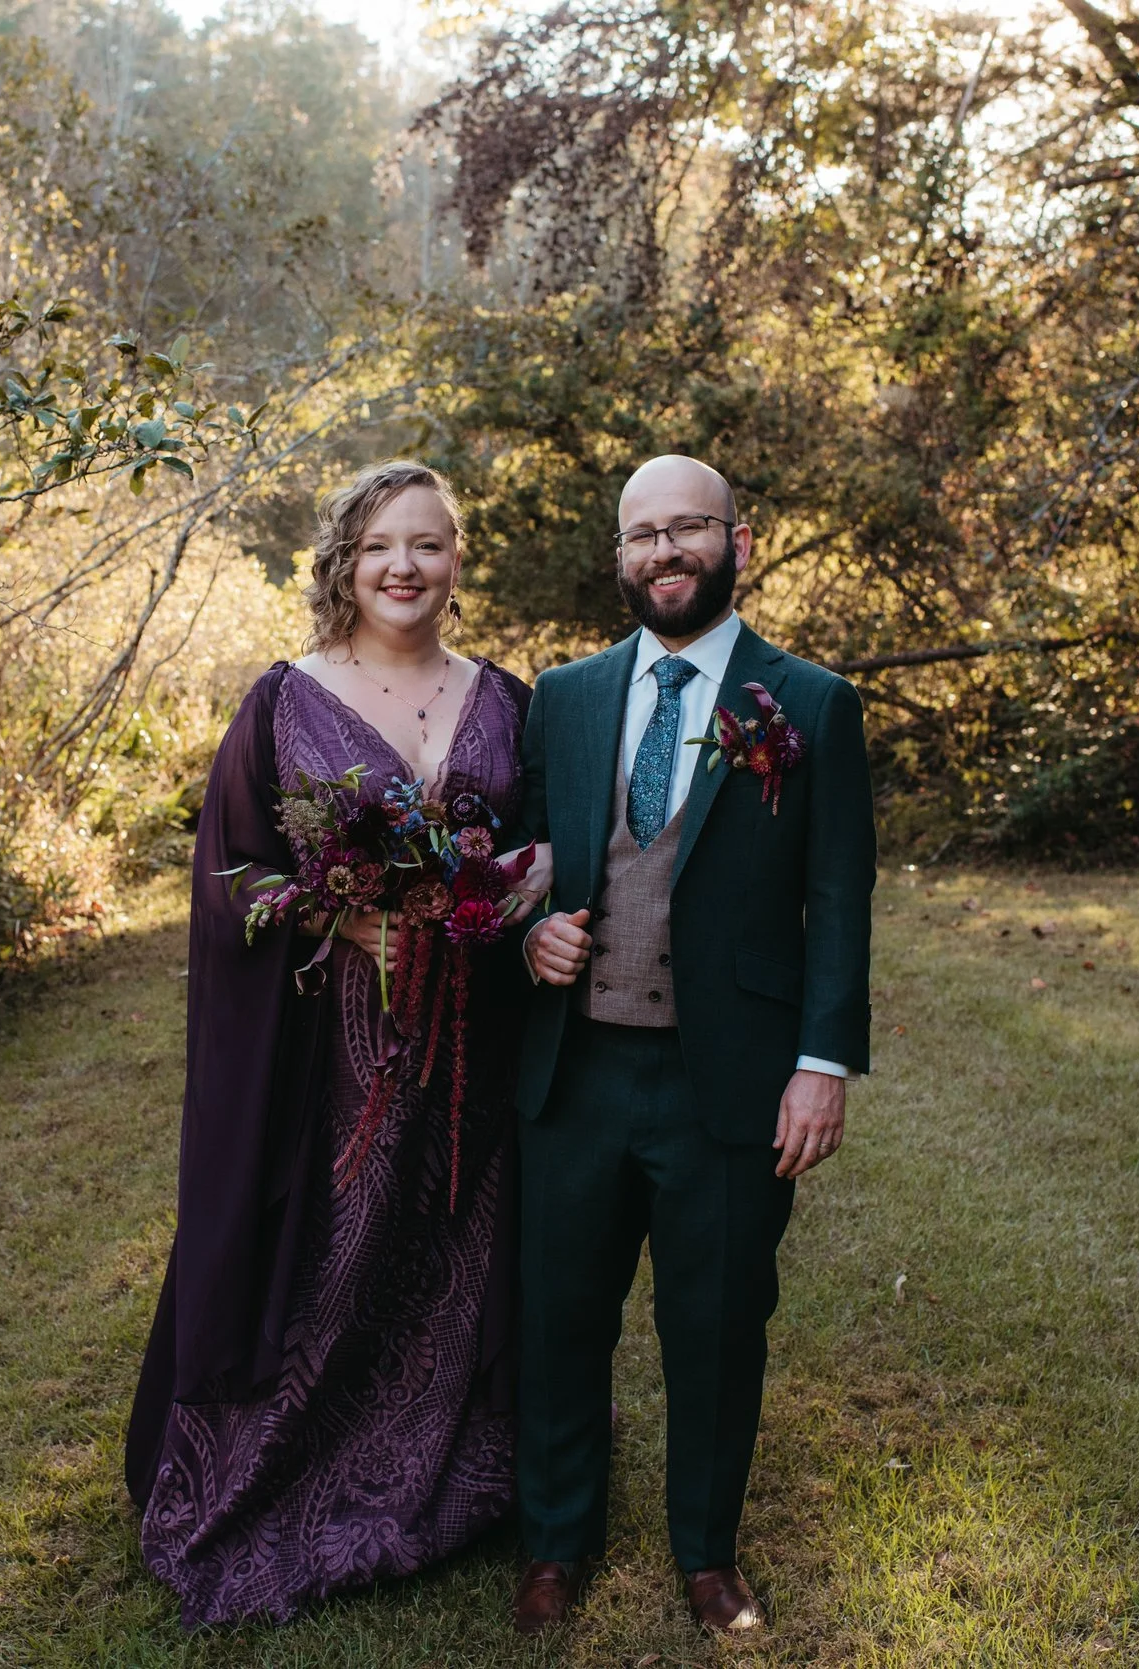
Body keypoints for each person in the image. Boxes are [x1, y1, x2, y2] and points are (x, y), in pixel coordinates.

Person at [125, 460, 547, 1627]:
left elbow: (540, 839)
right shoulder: (284, 699)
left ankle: (442, 1463)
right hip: (327, 1051)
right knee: (328, 1253)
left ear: (458, 560)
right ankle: (269, 1478)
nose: (404, 567)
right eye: (380, 547)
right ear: (344, 565)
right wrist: (340, 912)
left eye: (428, 544)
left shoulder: (507, 700)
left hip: (469, 1046)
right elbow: (232, 871)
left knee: (453, 1252)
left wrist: (526, 877)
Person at [508, 454, 875, 1635]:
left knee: (715, 1320)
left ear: (739, 542)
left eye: (688, 531)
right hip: (575, 1070)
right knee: (561, 1315)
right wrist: (527, 938)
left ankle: (707, 1554)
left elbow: (838, 897)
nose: (664, 553)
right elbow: (520, 863)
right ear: (617, 556)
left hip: (730, 1076)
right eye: (642, 536)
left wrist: (821, 1064)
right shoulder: (559, 696)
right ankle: (556, 1544)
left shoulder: (809, 704)